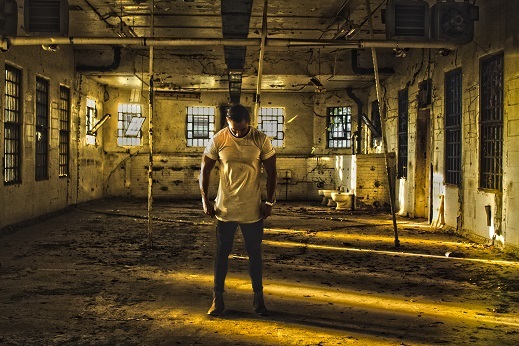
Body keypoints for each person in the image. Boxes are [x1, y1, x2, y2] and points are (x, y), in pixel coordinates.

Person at [199, 103, 277, 316]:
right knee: (222, 254)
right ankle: (217, 300)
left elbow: (272, 172)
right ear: (228, 121)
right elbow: (204, 170)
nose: (239, 132)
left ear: (248, 123)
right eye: (235, 128)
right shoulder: (219, 139)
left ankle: (259, 301)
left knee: (255, 255)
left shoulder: (260, 139)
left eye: (243, 129)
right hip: (225, 209)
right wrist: (205, 199)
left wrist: (269, 202)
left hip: (253, 211)